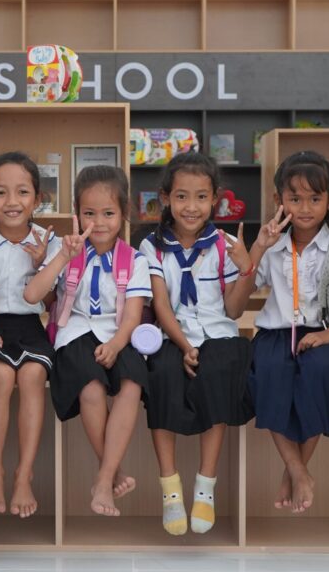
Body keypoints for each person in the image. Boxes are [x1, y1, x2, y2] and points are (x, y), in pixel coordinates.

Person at [228, 151, 329, 514]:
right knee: (267, 375)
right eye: (295, 198)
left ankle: (294, 471)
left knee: (324, 372)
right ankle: (297, 469)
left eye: (315, 198)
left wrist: (327, 337)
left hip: (323, 332)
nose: (306, 207)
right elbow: (233, 308)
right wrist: (257, 252)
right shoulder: (273, 243)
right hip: (276, 335)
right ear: (279, 200)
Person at [138, 152, 255, 535]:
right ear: (166, 198)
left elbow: (235, 311)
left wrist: (246, 265)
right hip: (173, 333)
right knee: (160, 375)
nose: (191, 207)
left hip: (217, 332)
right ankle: (170, 488)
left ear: (215, 199)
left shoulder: (224, 245)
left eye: (201, 197)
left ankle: (205, 488)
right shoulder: (151, 248)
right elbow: (160, 305)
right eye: (182, 197)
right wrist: (186, 345)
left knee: (220, 370)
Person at [24, 165, 151, 517]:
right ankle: (111, 474)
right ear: (77, 213)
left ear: (124, 214)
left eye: (109, 213)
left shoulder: (135, 260)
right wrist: (63, 255)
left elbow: (131, 315)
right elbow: (33, 295)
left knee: (131, 384)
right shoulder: (65, 250)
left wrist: (115, 345)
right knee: (91, 387)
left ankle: (103, 478)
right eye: (89, 213)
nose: (100, 222)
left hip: (117, 334)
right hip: (75, 332)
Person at [0, 152, 61, 519]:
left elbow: (55, 300)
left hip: (30, 327)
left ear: (38, 199)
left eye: (23, 192)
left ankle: (23, 475)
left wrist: (41, 263)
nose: (12, 202)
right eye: (1, 193)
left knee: (31, 375)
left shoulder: (51, 241)